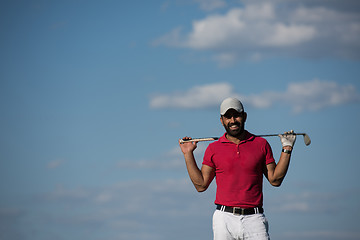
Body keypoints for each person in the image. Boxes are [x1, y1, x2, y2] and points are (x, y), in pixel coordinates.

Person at [179, 97, 296, 240]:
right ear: (222, 120)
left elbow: (275, 180)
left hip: (255, 218)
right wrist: (188, 153)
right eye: (228, 117)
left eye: (236, 115)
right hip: (224, 219)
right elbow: (201, 185)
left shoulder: (261, 144)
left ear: (244, 116)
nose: (233, 120)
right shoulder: (213, 148)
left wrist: (287, 148)